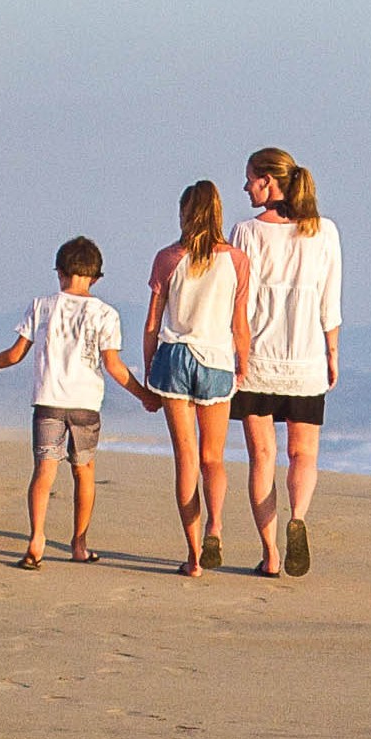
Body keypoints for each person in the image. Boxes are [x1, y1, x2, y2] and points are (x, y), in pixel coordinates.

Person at [0, 237, 159, 568]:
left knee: (44, 471)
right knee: (84, 472)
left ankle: (37, 538)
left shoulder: (42, 306)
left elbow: (14, 355)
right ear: (96, 277)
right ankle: (79, 544)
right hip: (85, 406)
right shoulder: (105, 314)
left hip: (48, 402)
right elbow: (113, 366)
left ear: (60, 271)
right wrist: (145, 396)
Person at [229, 147, 342, 578]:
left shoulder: (244, 233)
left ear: (268, 181)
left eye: (250, 179)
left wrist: (233, 352)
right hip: (306, 358)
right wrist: (332, 353)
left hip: (256, 359)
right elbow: (330, 302)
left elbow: (237, 302)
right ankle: (299, 518)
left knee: (262, 456)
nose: (245, 187)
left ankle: (272, 554)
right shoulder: (324, 231)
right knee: (303, 454)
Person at [143, 183, 252, 576]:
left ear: (185, 214)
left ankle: (193, 556)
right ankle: (216, 526)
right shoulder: (237, 260)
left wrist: (147, 372)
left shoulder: (167, 258)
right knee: (213, 458)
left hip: (174, 358)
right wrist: (243, 364)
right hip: (217, 359)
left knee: (186, 459)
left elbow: (154, 322)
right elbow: (239, 323)